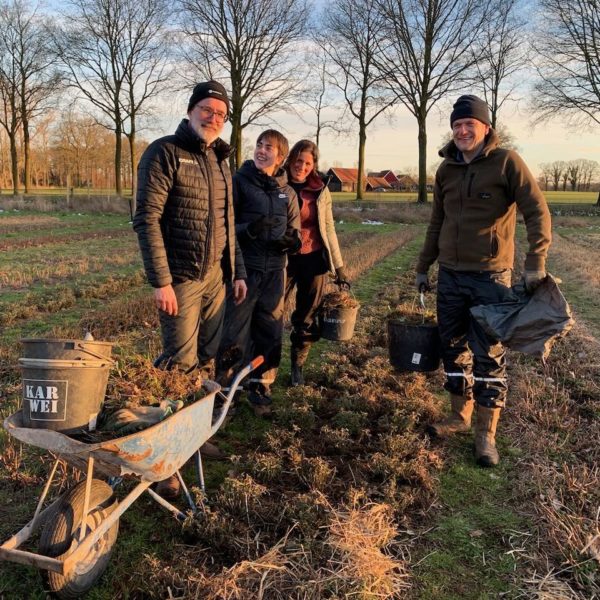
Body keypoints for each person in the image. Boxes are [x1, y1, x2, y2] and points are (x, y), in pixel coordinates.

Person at [416, 94, 552, 467]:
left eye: (469, 124)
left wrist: (535, 261)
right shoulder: (445, 170)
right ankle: (458, 416)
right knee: (452, 348)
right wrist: (422, 266)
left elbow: (537, 211)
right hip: (451, 276)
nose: (462, 130)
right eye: (457, 125)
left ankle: (485, 436)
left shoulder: (507, 162)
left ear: (485, 127)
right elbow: (436, 223)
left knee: (488, 355)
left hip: (491, 277)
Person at [133, 81, 247, 497]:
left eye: (220, 113)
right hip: (180, 278)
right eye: (206, 109)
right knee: (177, 365)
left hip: (217, 277)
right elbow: (146, 219)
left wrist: (237, 272)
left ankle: (193, 438)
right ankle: (164, 460)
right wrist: (161, 281)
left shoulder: (220, 160)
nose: (213, 117)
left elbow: (227, 223)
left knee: (205, 360)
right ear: (190, 110)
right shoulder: (164, 153)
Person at [216, 130, 301, 417]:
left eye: (269, 148)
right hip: (245, 269)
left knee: (270, 331)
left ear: (281, 157)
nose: (261, 151)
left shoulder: (287, 193)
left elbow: (296, 230)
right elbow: (225, 228)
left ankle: (260, 386)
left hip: (275, 272)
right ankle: (226, 391)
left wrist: (292, 242)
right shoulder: (239, 182)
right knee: (234, 331)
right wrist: (249, 230)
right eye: (259, 145)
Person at [283, 140, 348, 386]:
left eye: (307, 163)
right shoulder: (277, 182)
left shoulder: (320, 189)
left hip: (313, 258)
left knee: (307, 315)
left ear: (313, 166)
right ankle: (262, 368)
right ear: (290, 160)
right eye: (298, 161)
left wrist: (339, 267)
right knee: (271, 311)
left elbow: (328, 227)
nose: (301, 166)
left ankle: (297, 368)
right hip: (282, 259)